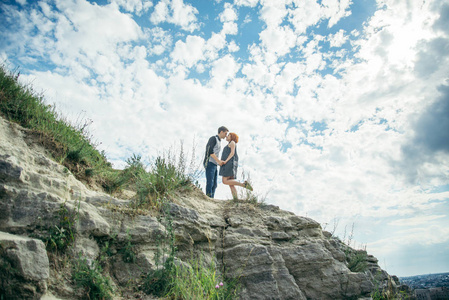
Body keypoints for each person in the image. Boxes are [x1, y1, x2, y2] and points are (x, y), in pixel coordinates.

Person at [219, 132, 253, 199]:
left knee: (224, 181)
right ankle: (235, 199)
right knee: (231, 184)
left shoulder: (232, 142)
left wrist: (225, 161)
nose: (226, 136)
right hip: (227, 163)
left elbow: (232, 153)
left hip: (229, 163)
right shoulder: (229, 143)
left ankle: (243, 185)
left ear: (232, 137)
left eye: (228, 135)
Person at [204, 126, 228, 198]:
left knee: (214, 184)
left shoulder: (219, 141)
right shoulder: (213, 138)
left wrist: (219, 162)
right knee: (210, 182)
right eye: (225, 133)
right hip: (209, 162)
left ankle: (212, 198)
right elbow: (210, 150)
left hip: (214, 164)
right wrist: (218, 161)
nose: (226, 135)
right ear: (221, 132)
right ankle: (208, 198)